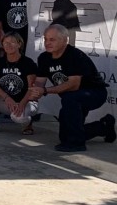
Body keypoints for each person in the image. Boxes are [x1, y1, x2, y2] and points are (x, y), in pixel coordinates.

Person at [25, 24, 115, 153]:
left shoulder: (74, 55)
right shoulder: (44, 58)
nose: (47, 43)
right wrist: (35, 92)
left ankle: (77, 144)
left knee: (70, 99)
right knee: (65, 136)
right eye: (45, 39)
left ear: (64, 40)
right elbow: (40, 81)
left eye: (52, 39)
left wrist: (45, 91)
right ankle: (104, 127)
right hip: (72, 97)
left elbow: (74, 85)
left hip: (94, 93)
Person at [0, 32, 38, 136]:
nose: (8, 45)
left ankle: (28, 124)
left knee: (17, 118)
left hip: (26, 102)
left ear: (19, 44)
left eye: (12, 42)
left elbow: (32, 88)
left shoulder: (28, 63)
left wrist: (22, 103)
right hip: (8, 102)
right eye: (5, 43)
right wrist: (6, 98)